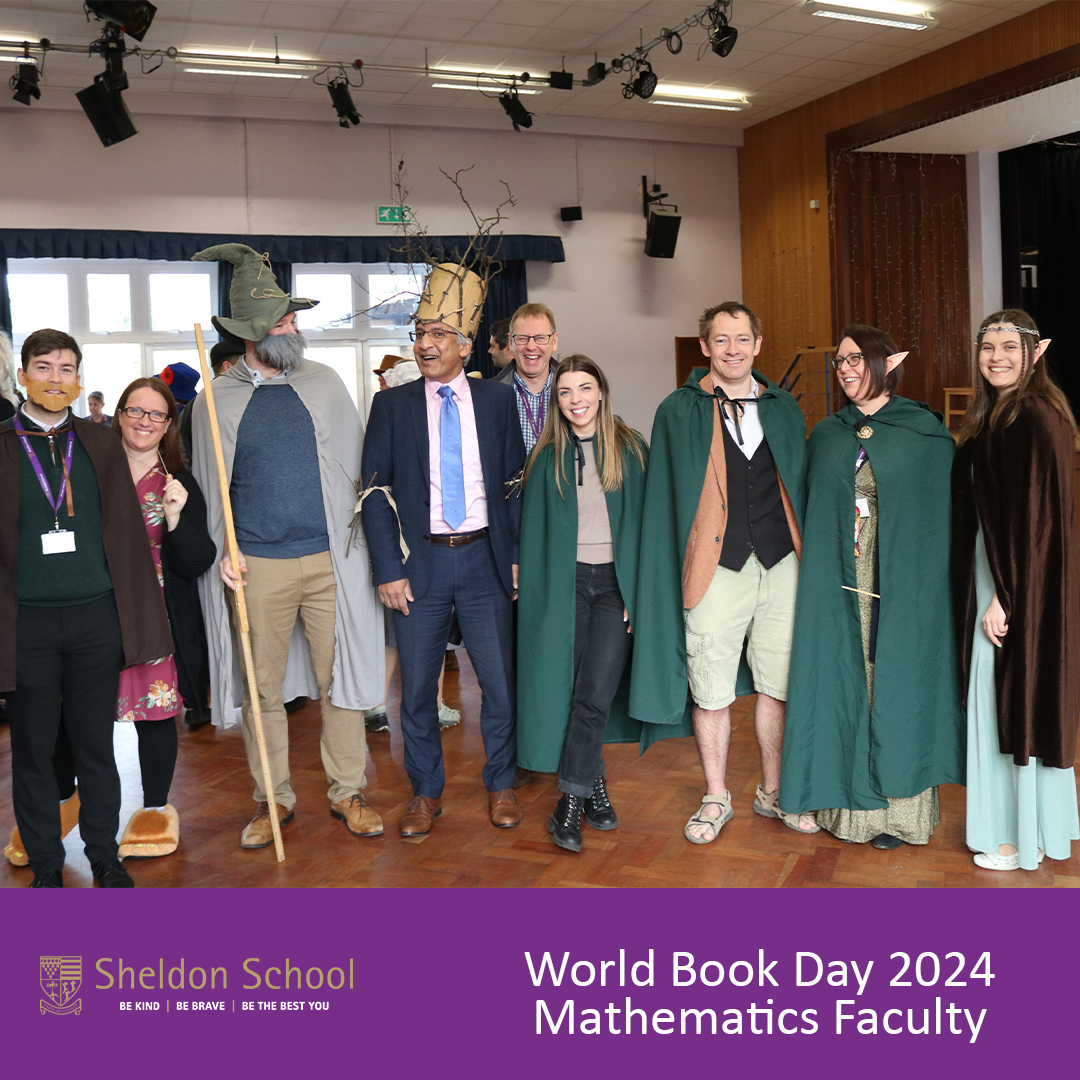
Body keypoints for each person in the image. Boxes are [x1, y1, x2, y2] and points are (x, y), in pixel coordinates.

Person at [189, 244, 385, 848]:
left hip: (330, 562)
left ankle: (347, 791)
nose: (293, 328)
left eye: (293, 319)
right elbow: (210, 493)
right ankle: (271, 798)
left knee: (340, 679)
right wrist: (224, 550)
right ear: (251, 331)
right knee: (261, 688)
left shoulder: (325, 384)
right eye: (282, 321)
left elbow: (357, 473)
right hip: (256, 567)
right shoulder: (214, 401)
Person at [779, 325, 965, 849]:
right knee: (847, 681)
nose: (845, 369)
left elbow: (940, 518)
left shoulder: (923, 432)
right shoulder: (828, 433)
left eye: (856, 359)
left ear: (887, 363)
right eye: (840, 361)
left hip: (904, 585)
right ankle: (849, 811)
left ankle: (902, 815)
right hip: (840, 582)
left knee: (898, 684)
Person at [630, 302, 808, 844]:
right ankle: (716, 796)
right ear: (705, 346)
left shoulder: (783, 407)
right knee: (711, 690)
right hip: (714, 568)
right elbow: (664, 500)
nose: (733, 349)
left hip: (782, 565)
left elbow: (800, 482)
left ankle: (773, 791)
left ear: (758, 344)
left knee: (778, 687)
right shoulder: (677, 410)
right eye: (722, 340)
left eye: (742, 339)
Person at [0, 329, 173, 887]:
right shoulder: (2, 445)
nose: (55, 379)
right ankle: (47, 865)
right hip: (25, 622)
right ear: (22, 374)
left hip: (96, 618)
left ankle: (103, 854)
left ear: (79, 379)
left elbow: (126, 535)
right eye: (43, 367)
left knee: (96, 744)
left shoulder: (100, 444)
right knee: (33, 750)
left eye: (66, 369)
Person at [361, 261, 526, 837]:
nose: (425, 345)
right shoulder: (392, 406)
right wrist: (387, 568)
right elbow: (374, 493)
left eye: (438, 334)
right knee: (416, 691)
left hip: (485, 560)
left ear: (465, 344)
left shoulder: (497, 402)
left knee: (498, 684)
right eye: (419, 334)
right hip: (420, 564)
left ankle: (501, 783)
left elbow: (515, 484)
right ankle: (425, 792)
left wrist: (516, 555)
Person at [952, 309, 1080, 871]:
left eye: (1009, 347)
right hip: (1004, 577)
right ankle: (1037, 828)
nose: (997, 358)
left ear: (1036, 351)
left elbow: (1036, 522)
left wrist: (1004, 596)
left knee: (1003, 704)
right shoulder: (1001, 415)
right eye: (988, 348)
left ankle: (1011, 838)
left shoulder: (1031, 416)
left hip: (1012, 587)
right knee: (1006, 704)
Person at [517, 356, 648, 852]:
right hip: (565, 585)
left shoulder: (631, 449)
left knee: (595, 693)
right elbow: (535, 539)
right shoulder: (546, 457)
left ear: (601, 392)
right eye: (566, 391)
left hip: (614, 588)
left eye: (585, 388)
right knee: (572, 693)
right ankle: (593, 789)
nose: (576, 400)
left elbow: (647, 526)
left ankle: (568, 805)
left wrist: (638, 590)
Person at [111, 376, 216, 857]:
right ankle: (73, 800)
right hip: (98, 612)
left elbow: (197, 561)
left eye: (157, 414)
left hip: (156, 618)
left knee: (154, 714)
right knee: (81, 716)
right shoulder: (91, 474)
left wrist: (174, 518)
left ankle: (154, 809)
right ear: (119, 415)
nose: (144, 421)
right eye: (136, 410)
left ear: (169, 424)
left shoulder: (180, 483)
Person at [496, 302, 559, 455]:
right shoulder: (491, 397)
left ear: (554, 342)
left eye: (540, 338)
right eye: (522, 338)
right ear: (511, 342)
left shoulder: (574, 394)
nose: (531, 346)